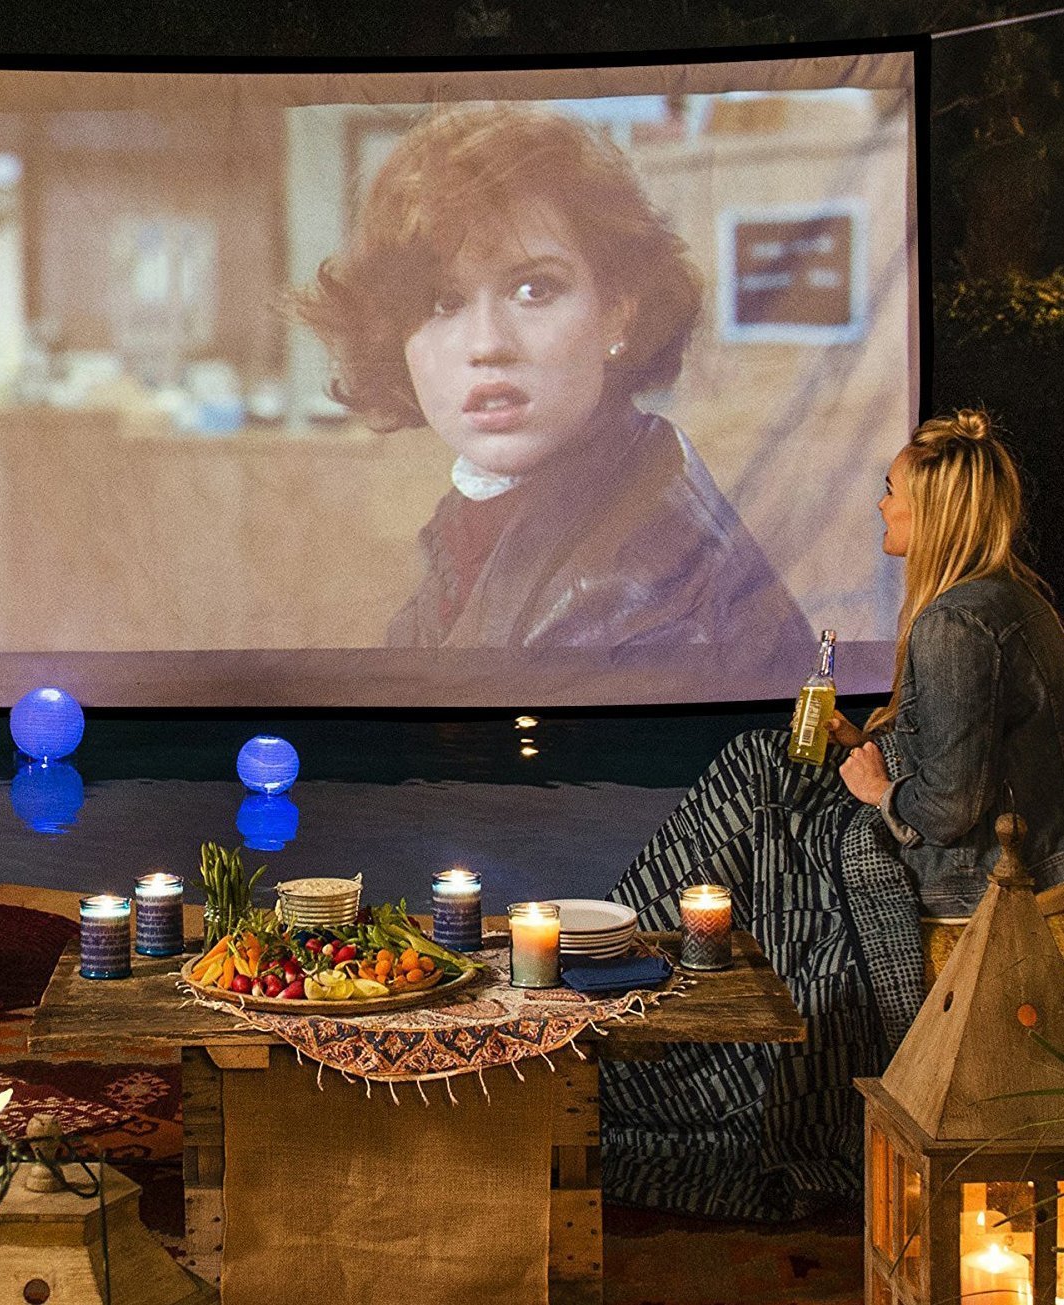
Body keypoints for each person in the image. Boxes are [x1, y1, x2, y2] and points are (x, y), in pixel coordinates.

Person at [602, 408, 1064, 1221]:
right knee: (763, 767)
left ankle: (618, 955)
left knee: (754, 777)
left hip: (956, 874)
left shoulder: (954, 621)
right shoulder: (1017, 602)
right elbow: (971, 757)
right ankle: (636, 941)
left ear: (932, 511)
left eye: (891, 490)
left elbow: (951, 807)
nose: (880, 503)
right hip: (981, 849)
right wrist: (869, 741)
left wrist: (876, 788)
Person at [293, 104, 811, 682]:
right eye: (444, 302)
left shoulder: (640, 591)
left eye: (533, 289)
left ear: (617, 314)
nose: (488, 344)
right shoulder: (503, 506)